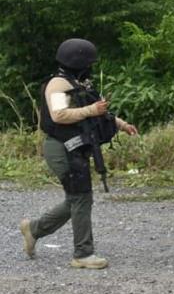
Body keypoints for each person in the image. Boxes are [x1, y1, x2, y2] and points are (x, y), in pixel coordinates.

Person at [19, 38, 138, 269]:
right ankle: (83, 254)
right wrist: (90, 110)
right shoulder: (58, 85)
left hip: (75, 146)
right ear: (79, 62)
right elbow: (58, 115)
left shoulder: (80, 83)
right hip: (60, 148)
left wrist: (121, 124)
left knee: (78, 198)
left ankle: (33, 229)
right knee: (81, 197)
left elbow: (100, 113)